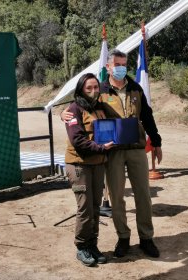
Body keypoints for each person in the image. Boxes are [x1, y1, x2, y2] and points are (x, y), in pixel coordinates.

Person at [62, 49, 163, 258]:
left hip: (136, 149)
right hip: (113, 152)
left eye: (124, 64)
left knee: (143, 196)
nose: (121, 68)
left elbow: (147, 116)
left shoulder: (136, 88)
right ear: (108, 67)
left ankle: (146, 238)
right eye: (117, 64)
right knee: (116, 198)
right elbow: (82, 105)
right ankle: (123, 238)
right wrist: (63, 112)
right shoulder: (100, 91)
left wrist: (157, 141)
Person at [64, 73, 113, 267]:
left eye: (95, 87)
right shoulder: (73, 109)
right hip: (79, 165)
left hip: (97, 164)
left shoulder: (100, 108)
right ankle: (82, 247)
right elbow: (77, 140)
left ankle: (93, 245)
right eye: (88, 88)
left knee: (95, 207)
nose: (93, 91)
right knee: (84, 209)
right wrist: (101, 148)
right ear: (80, 90)